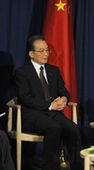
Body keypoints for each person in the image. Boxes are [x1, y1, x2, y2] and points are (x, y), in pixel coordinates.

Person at [14, 35, 81, 170]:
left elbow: (64, 91)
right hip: (32, 114)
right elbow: (24, 98)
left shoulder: (53, 70)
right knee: (54, 128)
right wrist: (50, 105)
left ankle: (78, 167)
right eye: (41, 51)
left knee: (73, 129)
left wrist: (64, 99)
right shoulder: (22, 72)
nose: (46, 54)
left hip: (53, 114)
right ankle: (50, 167)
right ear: (31, 54)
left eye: (47, 50)